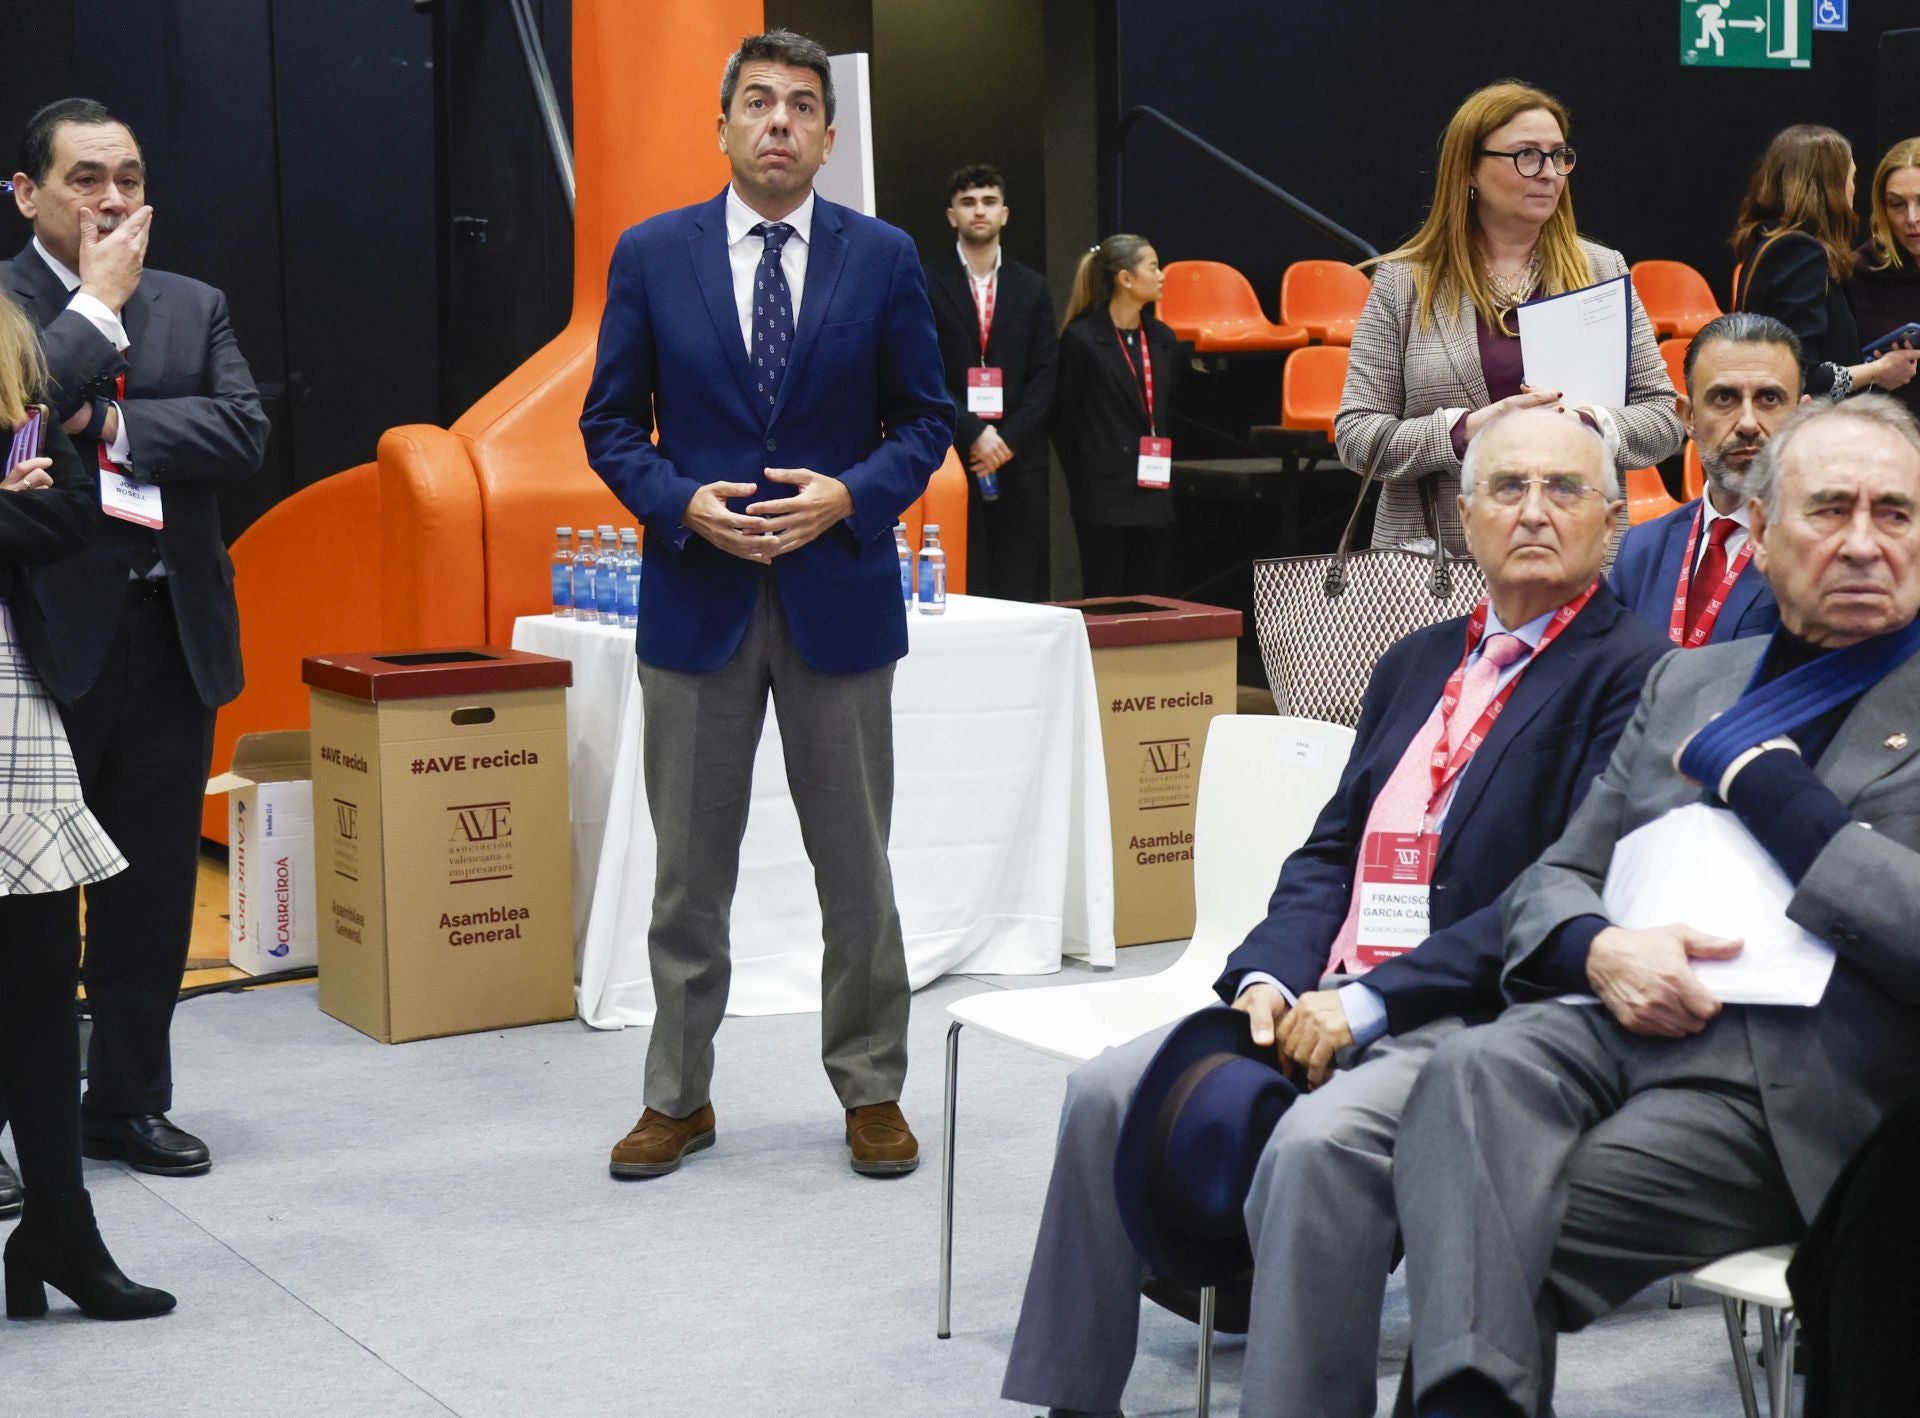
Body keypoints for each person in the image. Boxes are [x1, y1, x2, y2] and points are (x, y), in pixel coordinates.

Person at [1001, 407, 1668, 1418]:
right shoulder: (1413, 659)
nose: (1535, 510)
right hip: (1321, 987)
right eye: (1508, 487)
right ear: (1464, 515)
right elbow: (1330, 853)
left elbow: (1557, 896)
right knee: (1104, 1092)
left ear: (1613, 523)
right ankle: (1072, 1399)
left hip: (1477, 1016)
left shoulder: (1636, 675)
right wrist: (1269, 977)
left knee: (1317, 1150)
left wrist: (1367, 1007)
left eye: (1565, 489)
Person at [1389, 395, 1920, 1418]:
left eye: (1893, 513)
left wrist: (1779, 797)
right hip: (1616, 1020)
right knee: (1468, 1065)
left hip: (1794, 1086)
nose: (1863, 543)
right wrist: (1598, 949)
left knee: (1483, 1234)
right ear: (1759, 532)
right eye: (1830, 510)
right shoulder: (1694, 680)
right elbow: (1553, 879)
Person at [579, 31, 952, 1180]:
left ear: (830, 136)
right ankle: (677, 1095)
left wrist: (853, 493)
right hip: (699, 603)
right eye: (760, 103)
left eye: (803, 105)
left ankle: (872, 1087)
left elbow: (927, 422)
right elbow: (606, 425)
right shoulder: (652, 253)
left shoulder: (883, 256)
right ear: (724, 124)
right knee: (690, 872)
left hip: (839, 597)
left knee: (858, 868)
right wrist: (679, 502)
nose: (781, 122)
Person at [1, 97, 269, 1178]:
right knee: (21, 902)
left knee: (153, 889)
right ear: (26, 194)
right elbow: (13, 426)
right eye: (85, 179)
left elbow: (243, 430)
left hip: (171, 627)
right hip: (38, 641)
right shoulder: (9, 304)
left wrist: (110, 424)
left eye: (130, 178)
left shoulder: (191, 302)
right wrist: (90, 318)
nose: (113, 199)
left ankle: (127, 1099)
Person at [0, 298, 172, 1320]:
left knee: (36, 979)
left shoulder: (13, 334)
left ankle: (59, 1227)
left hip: (12, 691)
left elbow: (72, 507)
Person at [1338, 80, 1682, 552]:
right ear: (1470, 171)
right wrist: (1465, 432)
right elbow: (1357, 436)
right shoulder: (1405, 281)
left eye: (1559, 156)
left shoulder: (1602, 269)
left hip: (1572, 553)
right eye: (1527, 155)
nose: (1548, 174)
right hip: (1437, 561)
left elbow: (1663, 418)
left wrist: (1588, 423)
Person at [1611, 312, 1801, 645]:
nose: (1747, 423)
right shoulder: (1639, 550)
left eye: (1769, 398)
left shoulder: (1824, 551)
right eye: (1724, 398)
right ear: (1689, 418)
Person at [922, 164, 1057, 601]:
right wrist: (975, 432)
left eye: (988, 201)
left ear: (1005, 213)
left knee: (1022, 585)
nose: (978, 211)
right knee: (963, 580)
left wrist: (1006, 440)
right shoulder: (926, 281)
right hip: (954, 453)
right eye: (967, 202)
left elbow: (1046, 377)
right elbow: (922, 369)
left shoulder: (1033, 287)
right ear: (951, 216)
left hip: (1018, 457)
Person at [1733, 124, 1920, 402]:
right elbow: (1804, 376)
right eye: (1852, 177)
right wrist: (1876, 371)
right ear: (1830, 185)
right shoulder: (1799, 251)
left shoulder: (1774, 242)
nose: (1853, 189)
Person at [1053, 234, 1179, 596]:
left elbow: (1168, 408)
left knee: (1152, 598)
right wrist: (1086, 475)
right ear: (1125, 278)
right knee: (1106, 597)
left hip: (1153, 490)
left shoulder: (1162, 338)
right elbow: (1064, 421)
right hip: (1102, 493)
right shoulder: (1082, 340)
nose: (1162, 275)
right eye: (1153, 267)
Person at [1845, 136, 1920, 420]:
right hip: (1881, 430)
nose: (1912, 218)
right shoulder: (1858, 272)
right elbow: (1828, 380)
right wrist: (1876, 374)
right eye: (1897, 205)